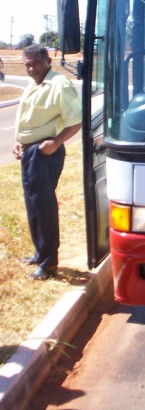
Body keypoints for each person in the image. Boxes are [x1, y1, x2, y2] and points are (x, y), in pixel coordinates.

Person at [13, 45, 82, 280]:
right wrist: (19, 142)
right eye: (27, 64)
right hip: (29, 151)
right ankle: (39, 253)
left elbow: (76, 121)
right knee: (33, 205)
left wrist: (54, 143)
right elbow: (28, 121)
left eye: (35, 63)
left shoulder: (59, 84)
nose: (31, 68)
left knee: (44, 207)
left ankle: (49, 263)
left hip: (45, 152)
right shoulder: (34, 85)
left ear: (48, 60)